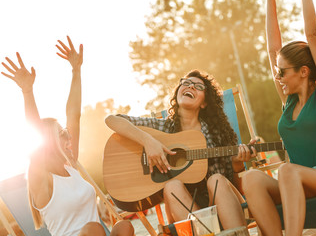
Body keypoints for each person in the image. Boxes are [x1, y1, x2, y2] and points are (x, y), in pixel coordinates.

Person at [240, 0, 316, 235]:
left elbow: (313, 36)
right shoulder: (289, 101)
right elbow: (273, 48)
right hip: (296, 185)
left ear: (304, 72)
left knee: (286, 169)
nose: (278, 77)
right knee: (251, 178)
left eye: (283, 72)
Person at [1, 36, 134, 236]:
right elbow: (36, 134)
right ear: (48, 143)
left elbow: (74, 115)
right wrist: (27, 91)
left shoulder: (71, 167)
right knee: (93, 229)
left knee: (124, 226)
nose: (68, 136)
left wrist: (76, 70)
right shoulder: (42, 179)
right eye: (62, 133)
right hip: (90, 233)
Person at [105, 69, 250, 229]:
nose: (191, 87)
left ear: (204, 102)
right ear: (177, 93)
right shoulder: (163, 128)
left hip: (220, 203)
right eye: (186, 83)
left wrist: (236, 164)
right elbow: (112, 120)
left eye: (198, 86)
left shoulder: (217, 133)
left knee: (216, 179)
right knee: (172, 186)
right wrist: (148, 141)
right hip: (185, 213)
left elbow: (233, 184)